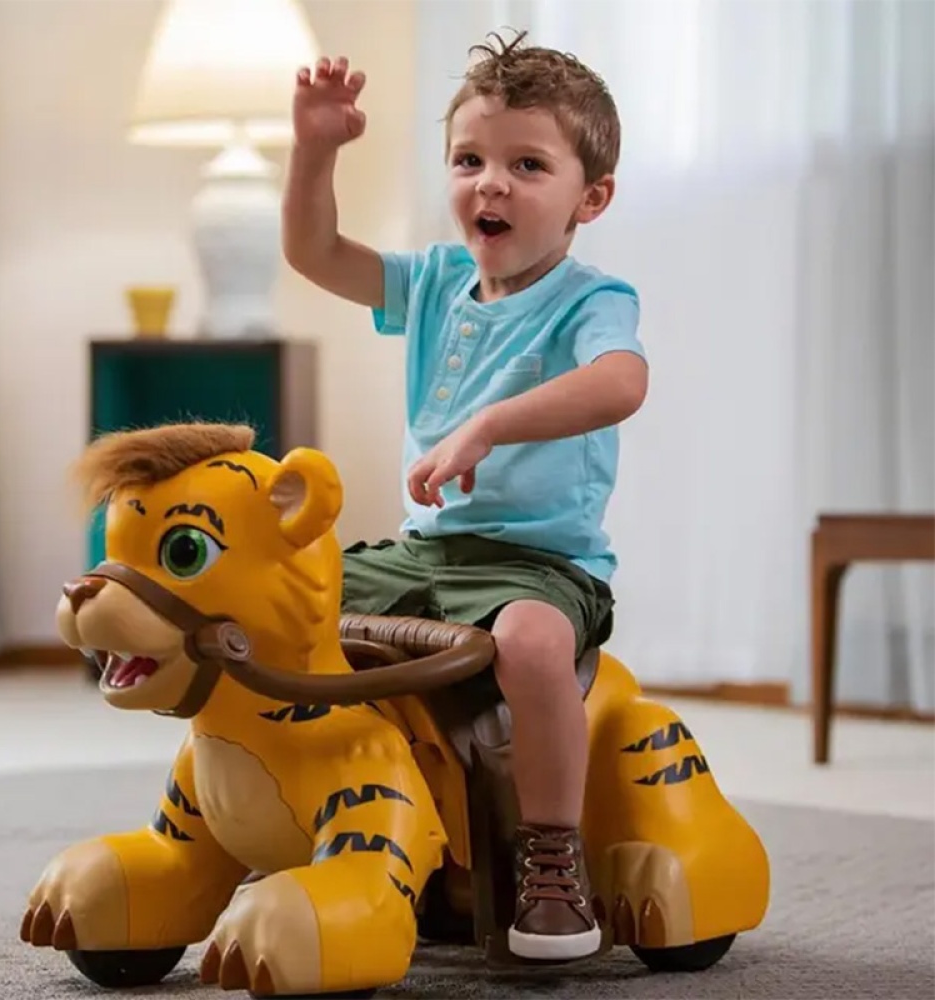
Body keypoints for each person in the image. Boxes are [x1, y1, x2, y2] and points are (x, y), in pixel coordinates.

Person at [281, 30, 648, 962]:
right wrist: (315, 149)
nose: (492, 184)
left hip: (538, 564)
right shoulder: (435, 281)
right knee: (286, 601)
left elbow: (621, 383)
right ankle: (292, 812)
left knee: (531, 642)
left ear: (591, 198)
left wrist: (490, 423)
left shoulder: (591, 299)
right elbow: (314, 251)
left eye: (529, 165)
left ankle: (551, 856)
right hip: (425, 553)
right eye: (470, 160)